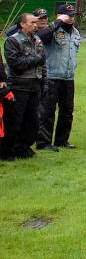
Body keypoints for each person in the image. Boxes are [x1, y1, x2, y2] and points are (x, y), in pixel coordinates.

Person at [36, 2, 81, 151]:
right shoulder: (51, 29)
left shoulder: (75, 32)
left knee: (67, 111)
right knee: (48, 111)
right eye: (68, 15)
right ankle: (43, 142)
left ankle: (62, 140)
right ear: (60, 16)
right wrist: (58, 22)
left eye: (73, 15)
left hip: (68, 77)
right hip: (51, 76)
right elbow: (43, 37)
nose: (71, 18)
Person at [2, 14, 45, 159]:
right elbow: (16, 64)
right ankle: (8, 149)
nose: (35, 25)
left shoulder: (37, 40)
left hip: (35, 83)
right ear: (22, 24)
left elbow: (43, 62)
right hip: (18, 85)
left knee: (33, 120)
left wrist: (43, 82)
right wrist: (35, 59)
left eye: (36, 22)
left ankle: (23, 147)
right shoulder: (12, 40)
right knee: (14, 119)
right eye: (32, 22)